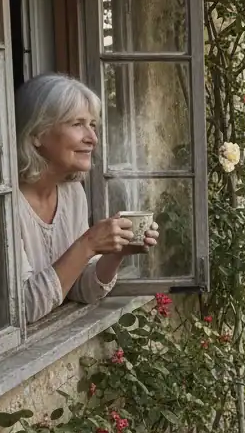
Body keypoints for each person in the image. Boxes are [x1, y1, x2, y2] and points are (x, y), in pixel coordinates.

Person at [16, 72, 159, 324]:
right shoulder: (0, 205)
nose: (92, 138)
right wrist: (89, 243)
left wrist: (116, 252)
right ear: (37, 134)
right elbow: (24, 308)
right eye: (77, 124)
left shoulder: (72, 193)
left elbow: (80, 289)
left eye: (92, 125)